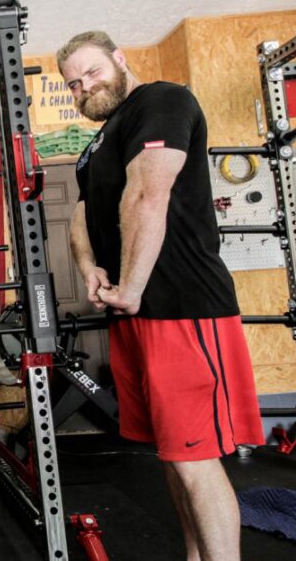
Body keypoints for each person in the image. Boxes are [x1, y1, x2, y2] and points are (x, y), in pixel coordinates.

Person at [57, 31, 264, 560]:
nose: (85, 87)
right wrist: (91, 271)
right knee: (173, 454)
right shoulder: (97, 144)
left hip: (183, 309)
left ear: (119, 60)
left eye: (93, 73)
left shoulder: (162, 100)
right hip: (135, 314)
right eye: (74, 84)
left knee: (195, 459)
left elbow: (149, 191)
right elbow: (82, 215)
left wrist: (131, 286)